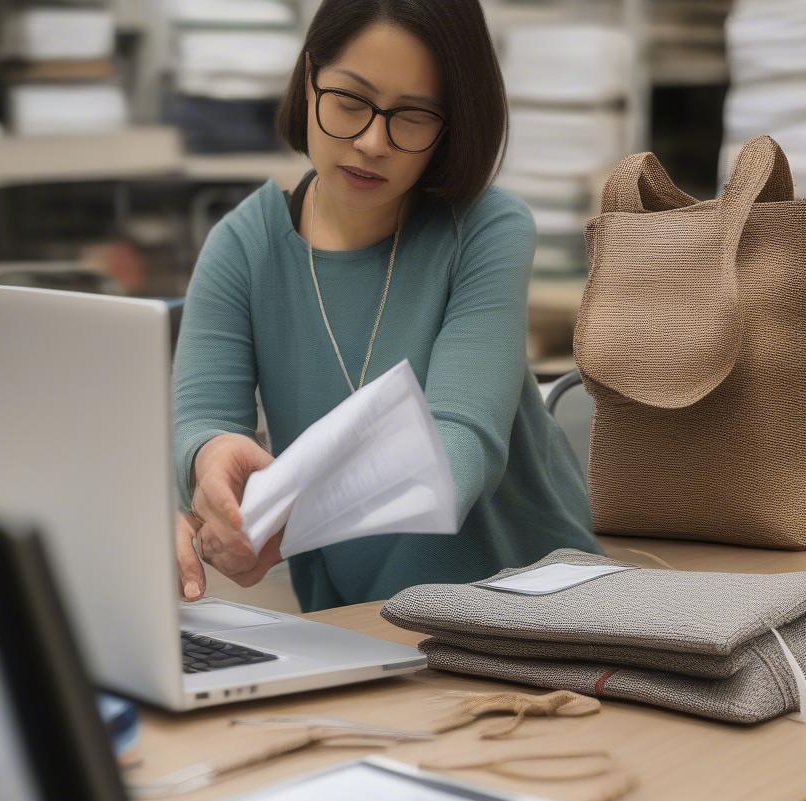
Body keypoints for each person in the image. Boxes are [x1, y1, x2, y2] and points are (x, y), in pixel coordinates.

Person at [173, 0, 600, 613]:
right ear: (309, 78)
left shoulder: (485, 228)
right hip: (360, 623)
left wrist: (287, 513)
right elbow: (200, 423)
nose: (374, 142)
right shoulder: (243, 246)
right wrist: (211, 468)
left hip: (535, 608)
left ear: (453, 124)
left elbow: (459, 449)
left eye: (414, 117)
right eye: (350, 101)